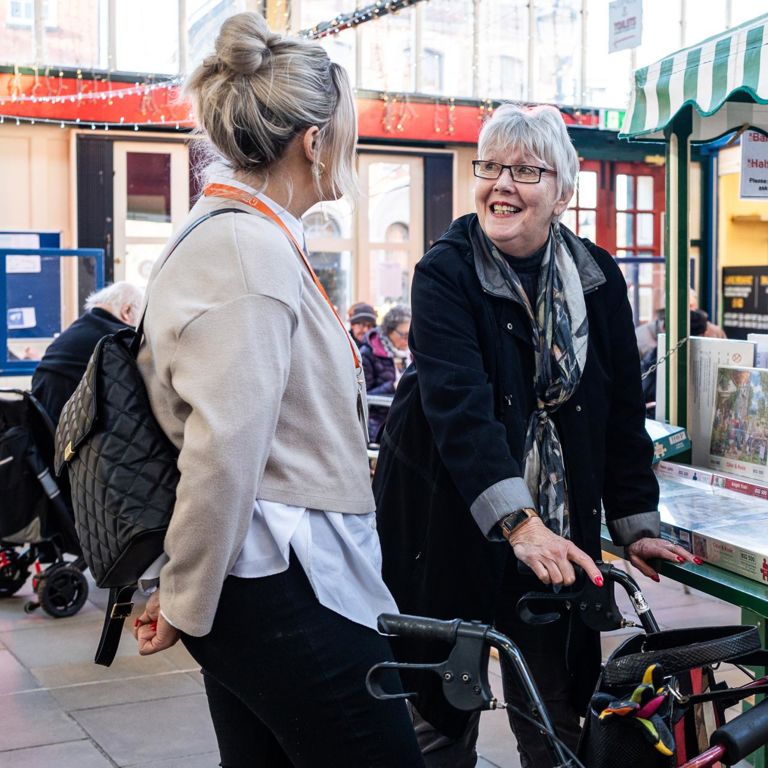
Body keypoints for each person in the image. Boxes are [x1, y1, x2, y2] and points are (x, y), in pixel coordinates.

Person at [131, 13, 423, 768]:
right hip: (284, 578)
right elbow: (223, 450)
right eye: (346, 131)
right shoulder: (248, 251)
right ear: (314, 141)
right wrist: (184, 596)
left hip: (267, 574)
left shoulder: (239, 236)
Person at [373, 104, 698, 767]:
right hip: (446, 520)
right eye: (490, 166)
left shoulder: (597, 275)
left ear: (563, 192)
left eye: (525, 170)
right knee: (440, 718)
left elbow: (617, 412)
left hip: (555, 534)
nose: (502, 185)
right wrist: (519, 523)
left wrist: (635, 522)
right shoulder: (446, 272)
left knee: (555, 716)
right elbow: (460, 409)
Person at [31, 282, 142, 425]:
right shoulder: (117, 337)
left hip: (45, 427)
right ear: (126, 311)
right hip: (76, 432)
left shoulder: (76, 329)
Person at [360, 303, 411, 441]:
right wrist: (393, 387)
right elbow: (362, 397)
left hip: (407, 420)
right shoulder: (368, 353)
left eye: (411, 334)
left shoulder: (411, 352)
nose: (408, 340)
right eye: (404, 335)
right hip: (380, 424)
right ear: (390, 330)